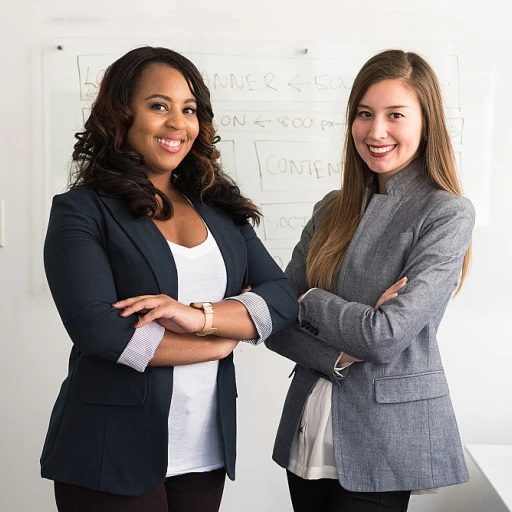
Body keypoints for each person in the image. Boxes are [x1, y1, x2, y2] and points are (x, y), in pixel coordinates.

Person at [41, 46, 298, 512]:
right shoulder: (81, 210)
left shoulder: (220, 209)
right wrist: (220, 341)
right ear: (121, 116)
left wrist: (198, 318)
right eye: (159, 105)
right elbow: (101, 331)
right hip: (110, 451)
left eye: (189, 109)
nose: (178, 123)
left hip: (203, 450)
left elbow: (281, 299)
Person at [265, 49, 474, 512]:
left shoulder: (445, 213)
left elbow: (384, 337)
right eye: (364, 114)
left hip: (384, 438)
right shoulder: (330, 208)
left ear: (426, 122)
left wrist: (311, 299)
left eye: (395, 115)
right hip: (308, 428)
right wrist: (337, 353)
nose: (375, 131)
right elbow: (276, 322)